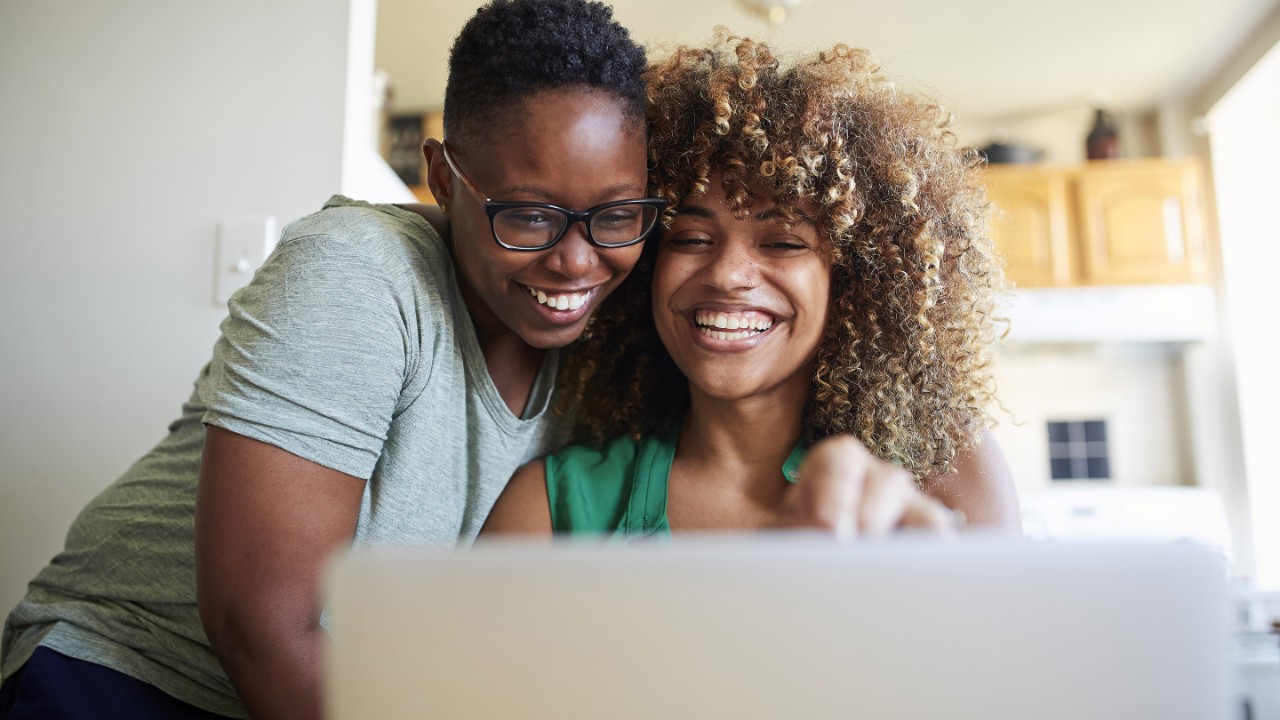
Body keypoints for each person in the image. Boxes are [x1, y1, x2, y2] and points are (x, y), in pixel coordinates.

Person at [0, 2, 659, 718]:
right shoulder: (357, 270)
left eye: (616, 216)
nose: (575, 260)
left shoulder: (603, 347)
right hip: (130, 674)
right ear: (442, 176)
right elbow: (261, 628)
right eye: (529, 215)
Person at [483, 33, 1021, 539]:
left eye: (783, 243)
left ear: (856, 278)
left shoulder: (947, 473)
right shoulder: (550, 510)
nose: (725, 273)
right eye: (691, 238)